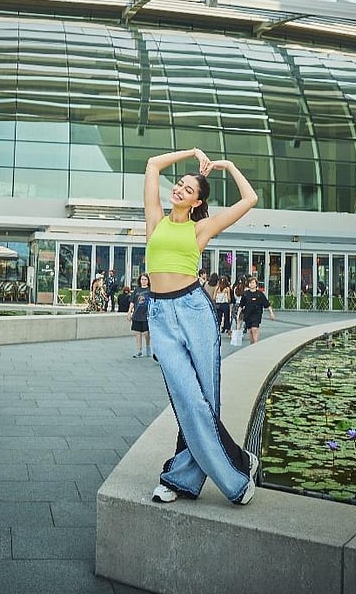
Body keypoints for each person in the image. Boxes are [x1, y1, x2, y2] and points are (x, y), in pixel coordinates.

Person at [142, 146, 260, 506]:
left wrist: (226, 164)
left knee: (203, 401)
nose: (179, 189)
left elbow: (250, 198)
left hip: (194, 311)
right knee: (186, 399)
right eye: (178, 185)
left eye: (188, 190)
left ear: (196, 203)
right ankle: (241, 465)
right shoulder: (155, 218)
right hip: (161, 315)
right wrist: (191, 153)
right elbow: (152, 164)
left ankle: (181, 480)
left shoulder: (202, 228)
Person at [237, 277, 274, 344]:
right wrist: (238, 314)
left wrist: (271, 313)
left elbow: (267, 304)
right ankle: (252, 344)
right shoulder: (246, 294)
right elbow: (241, 305)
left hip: (257, 314)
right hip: (248, 314)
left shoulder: (260, 294)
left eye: (253, 283)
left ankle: (256, 344)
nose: (252, 284)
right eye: (250, 283)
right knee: (250, 330)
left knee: (255, 329)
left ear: (256, 284)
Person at [128, 274, 152, 357]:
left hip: (146, 315)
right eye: (142, 279)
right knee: (138, 333)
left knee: (146, 333)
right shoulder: (136, 290)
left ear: (148, 281)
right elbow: (132, 302)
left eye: (145, 279)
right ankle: (139, 350)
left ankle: (148, 347)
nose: (144, 281)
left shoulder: (150, 290)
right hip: (137, 314)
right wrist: (129, 312)